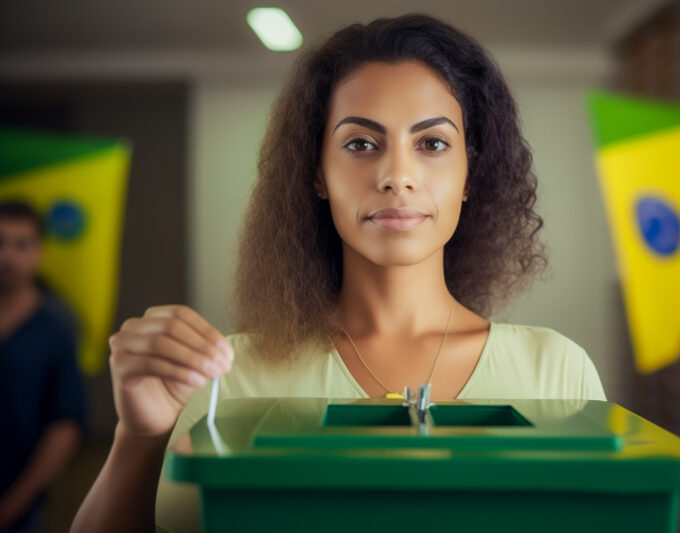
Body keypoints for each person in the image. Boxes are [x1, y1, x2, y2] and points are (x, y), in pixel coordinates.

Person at [72, 13, 606, 533]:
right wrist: (139, 439)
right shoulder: (226, 384)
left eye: (433, 143)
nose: (397, 176)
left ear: (471, 172)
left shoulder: (560, 374)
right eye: (360, 144)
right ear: (318, 174)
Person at [0, 200, 86, 533]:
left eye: (21, 244)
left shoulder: (57, 328)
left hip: (18, 510)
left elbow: (65, 425)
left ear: (39, 252)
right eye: (0, 243)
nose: (8, 256)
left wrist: (9, 508)